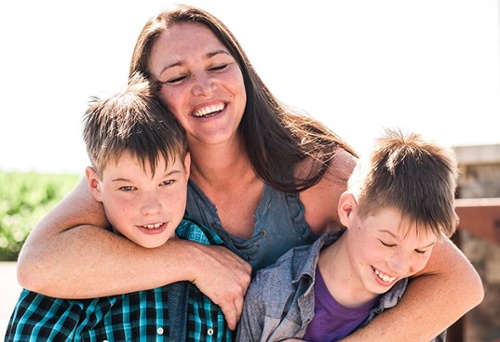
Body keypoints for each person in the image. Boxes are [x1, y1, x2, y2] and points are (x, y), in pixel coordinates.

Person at [16, 4, 483, 339]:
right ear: (150, 99)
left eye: (218, 65)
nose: (204, 86)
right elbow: (40, 263)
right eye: (177, 77)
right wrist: (192, 260)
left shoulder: (319, 172)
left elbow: (458, 282)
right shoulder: (144, 174)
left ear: (244, 75)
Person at [5, 73, 232, 341]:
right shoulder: (69, 277)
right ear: (95, 184)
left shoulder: (216, 254)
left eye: (167, 182)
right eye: (127, 188)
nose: (151, 208)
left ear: (186, 168)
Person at [236, 128, 458, 341]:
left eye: (421, 249)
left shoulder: (419, 308)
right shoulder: (270, 294)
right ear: (348, 210)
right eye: (387, 243)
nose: (400, 267)